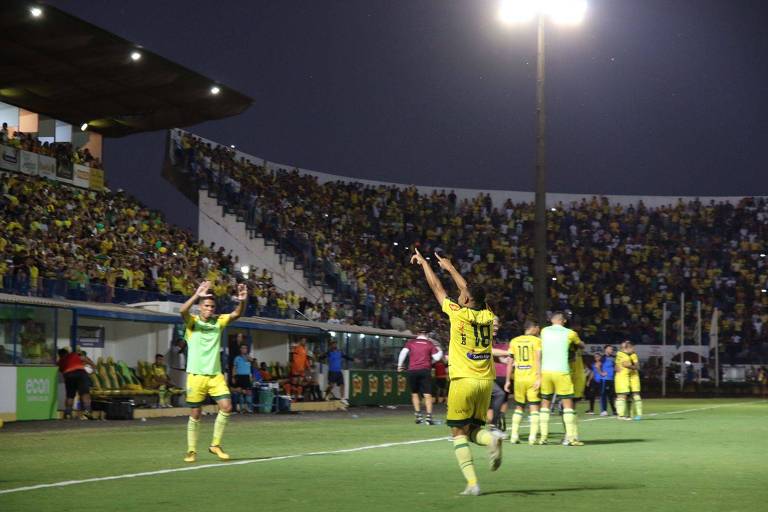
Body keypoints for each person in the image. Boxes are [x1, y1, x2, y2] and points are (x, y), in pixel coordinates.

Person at [411, 249, 504, 496]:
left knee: (458, 433)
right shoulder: (488, 315)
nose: (459, 293)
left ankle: (473, 484)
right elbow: (471, 291)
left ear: (464, 300)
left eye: (462, 294)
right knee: (474, 430)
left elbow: (437, 288)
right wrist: (451, 268)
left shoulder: (458, 313)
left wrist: (425, 265)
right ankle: (491, 439)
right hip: (485, 382)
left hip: (463, 380)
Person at [180, 280, 247, 463]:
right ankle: (191, 450)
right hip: (196, 376)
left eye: (212, 306)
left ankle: (215, 445)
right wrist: (196, 294)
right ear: (200, 308)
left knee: (227, 407)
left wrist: (242, 300)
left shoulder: (219, 321)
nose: (210, 309)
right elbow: (182, 311)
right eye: (207, 306)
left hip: (215, 375)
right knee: (195, 414)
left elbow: (237, 313)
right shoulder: (192, 323)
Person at [539, 311, 585, 446]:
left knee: (545, 404)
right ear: (564, 321)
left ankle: (543, 438)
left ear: (551, 320)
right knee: (568, 406)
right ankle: (571, 438)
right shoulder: (570, 333)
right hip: (562, 371)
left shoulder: (544, 331)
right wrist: (578, 343)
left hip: (546, 371)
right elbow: (581, 345)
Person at [504, 320, 542, 445]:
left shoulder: (514, 341)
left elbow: (510, 361)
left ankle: (514, 436)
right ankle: (532, 437)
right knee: (534, 407)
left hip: (519, 378)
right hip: (532, 377)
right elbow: (538, 360)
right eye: (538, 328)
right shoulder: (537, 341)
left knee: (519, 407)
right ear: (534, 328)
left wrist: (507, 380)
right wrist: (539, 378)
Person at [397, 329, 443, 425]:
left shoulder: (411, 342)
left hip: (412, 370)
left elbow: (403, 353)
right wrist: (440, 350)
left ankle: (418, 417)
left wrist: (399, 365)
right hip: (424, 370)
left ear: (417, 334)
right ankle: (429, 418)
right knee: (427, 395)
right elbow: (437, 358)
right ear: (426, 335)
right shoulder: (429, 344)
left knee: (414, 393)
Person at [488, 317, 511, 431]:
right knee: (499, 395)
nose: (496, 327)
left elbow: (489, 356)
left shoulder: (491, 338)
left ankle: (493, 424)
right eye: (494, 325)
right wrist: (508, 352)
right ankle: (494, 425)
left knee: (498, 395)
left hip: (482, 375)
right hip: (472, 374)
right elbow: (488, 351)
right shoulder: (482, 336)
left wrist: (504, 361)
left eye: (497, 325)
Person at [57, 348, 92, 419]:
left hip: (69, 375)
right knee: (85, 393)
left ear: (60, 355)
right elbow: (84, 359)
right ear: (67, 353)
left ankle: (68, 414)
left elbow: (62, 372)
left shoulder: (60, 362)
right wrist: (93, 366)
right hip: (80, 373)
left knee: (70, 396)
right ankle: (87, 412)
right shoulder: (73, 355)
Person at [615, 341, 643, 420]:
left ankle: (635, 415)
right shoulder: (619, 354)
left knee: (634, 396)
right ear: (627, 347)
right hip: (623, 378)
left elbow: (637, 367)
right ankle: (621, 415)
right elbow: (617, 365)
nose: (634, 349)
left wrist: (629, 366)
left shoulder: (633, 355)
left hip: (633, 377)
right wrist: (617, 368)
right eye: (632, 347)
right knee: (622, 396)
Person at [232, 343, 255, 413]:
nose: (244, 349)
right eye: (242, 348)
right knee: (240, 393)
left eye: (245, 348)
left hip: (247, 377)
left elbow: (254, 365)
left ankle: (249, 408)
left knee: (248, 393)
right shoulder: (237, 358)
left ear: (247, 349)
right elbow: (234, 368)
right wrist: (233, 377)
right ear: (240, 349)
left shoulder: (249, 358)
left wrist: (252, 376)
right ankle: (242, 409)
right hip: (239, 377)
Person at [600, 345, 618, 416]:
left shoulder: (613, 358)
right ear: (606, 349)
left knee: (612, 396)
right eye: (610, 349)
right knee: (603, 395)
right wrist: (601, 373)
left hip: (612, 379)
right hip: (605, 380)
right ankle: (604, 410)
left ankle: (614, 411)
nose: (611, 350)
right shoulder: (603, 358)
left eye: (612, 349)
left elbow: (615, 367)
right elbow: (597, 366)